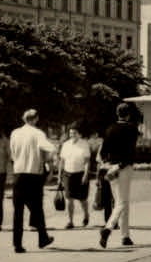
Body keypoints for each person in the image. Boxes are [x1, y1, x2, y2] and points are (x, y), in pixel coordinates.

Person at [8, 109, 57, 253]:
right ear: (35, 119)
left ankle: (18, 244)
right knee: (37, 208)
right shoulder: (38, 133)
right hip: (33, 175)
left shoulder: (15, 133)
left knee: (18, 211)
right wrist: (51, 156)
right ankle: (42, 238)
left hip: (18, 174)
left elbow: (13, 153)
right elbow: (50, 147)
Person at [99, 102, 140, 248]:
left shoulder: (110, 129)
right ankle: (108, 228)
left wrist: (108, 165)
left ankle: (125, 235)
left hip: (110, 168)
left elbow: (103, 152)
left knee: (121, 202)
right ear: (128, 114)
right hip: (123, 168)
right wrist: (120, 165)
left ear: (117, 113)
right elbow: (130, 153)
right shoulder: (132, 129)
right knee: (122, 202)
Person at [58, 124, 92, 229]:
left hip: (81, 174)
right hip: (68, 174)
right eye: (70, 133)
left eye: (74, 133)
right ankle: (70, 221)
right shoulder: (66, 144)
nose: (72, 135)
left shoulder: (84, 144)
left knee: (82, 199)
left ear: (79, 134)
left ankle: (86, 215)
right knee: (69, 198)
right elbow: (62, 161)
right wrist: (59, 176)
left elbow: (87, 161)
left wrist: (86, 175)